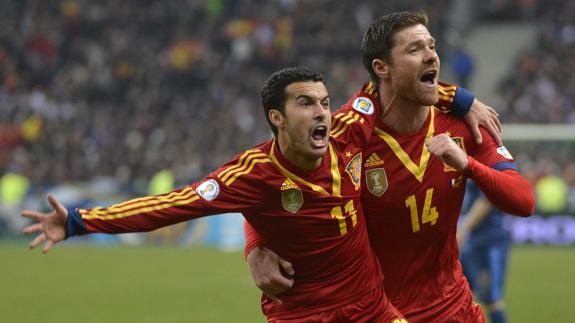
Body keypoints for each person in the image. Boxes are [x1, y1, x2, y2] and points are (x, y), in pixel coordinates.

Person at [22, 66, 410, 322]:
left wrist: (461, 102)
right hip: (305, 316)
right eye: (306, 103)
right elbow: (173, 205)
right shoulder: (253, 174)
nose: (322, 112)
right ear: (277, 118)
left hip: (373, 309)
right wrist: (78, 221)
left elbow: (392, 74)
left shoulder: (348, 129)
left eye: (324, 103)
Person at [244, 10, 535, 323]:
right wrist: (256, 247)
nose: (430, 57)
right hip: (375, 312)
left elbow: (522, 200)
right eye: (414, 49)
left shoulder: (466, 123)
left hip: (452, 309)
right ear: (381, 68)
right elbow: (277, 180)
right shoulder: (348, 136)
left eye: (432, 46)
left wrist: (467, 165)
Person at [458, 181, 511, 323]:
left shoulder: (488, 164)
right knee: (462, 294)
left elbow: (486, 201)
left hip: (490, 242)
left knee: (492, 298)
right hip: (474, 240)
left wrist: (462, 229)